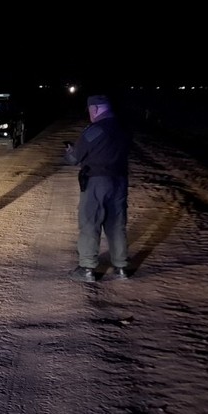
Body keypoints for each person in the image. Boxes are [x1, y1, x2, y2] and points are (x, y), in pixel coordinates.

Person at [64, 94, 131, 282]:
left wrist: (69, 152)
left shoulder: (94, 130)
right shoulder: (123, 128)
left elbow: (74, 158)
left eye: (90, 111)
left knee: (90, 222)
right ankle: (121, 267)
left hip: (96, 182)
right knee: (116, 224)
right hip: (120, 181)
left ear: (95, 109)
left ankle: (87, 268)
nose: (90, 114)